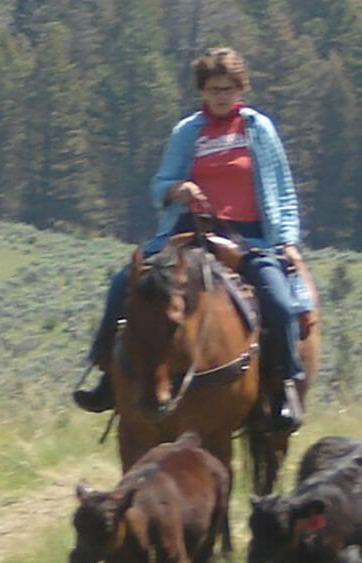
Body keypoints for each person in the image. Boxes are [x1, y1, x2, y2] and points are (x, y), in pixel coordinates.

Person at [73, 47, 311, 431]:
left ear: (240, 90)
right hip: (188, 232)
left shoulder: (258, 130)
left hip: (248, 237)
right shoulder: (187, 132)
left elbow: (282, 190)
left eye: (229, 89)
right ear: (202, 91)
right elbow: (159, 186)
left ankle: (283, 385)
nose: (221, 96)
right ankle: (106, 374)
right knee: (123, 285)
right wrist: (180, 188)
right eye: (214, 89)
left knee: (281, 305)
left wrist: (285, 240)